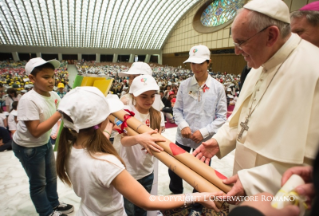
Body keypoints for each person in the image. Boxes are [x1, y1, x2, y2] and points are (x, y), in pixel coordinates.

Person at [193, 0, 319, 203]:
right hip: (242, 180)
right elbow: (243, 119)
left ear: (271, 35)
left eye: (241, 42)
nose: (236, 51)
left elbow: (312, 166)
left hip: (281, 199)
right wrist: (220, 141)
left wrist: (255, 181)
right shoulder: (258, 65)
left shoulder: (314, 69)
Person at [56, 86, 221, 216]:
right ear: (103, 118)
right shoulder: (107, 163)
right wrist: (198, 196)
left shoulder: (70, 150)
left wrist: (107, 128)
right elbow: (148, 202)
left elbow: (101, 138)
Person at [11, 57, 74, 216]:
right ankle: (46, 212)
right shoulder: (28, 100)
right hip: (28, 147)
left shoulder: (53, 94)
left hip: (44, 142)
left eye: (52, 76)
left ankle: (54, 203)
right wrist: (60, 113)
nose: (51, 81)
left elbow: (65, 110)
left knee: (51, 178)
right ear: (32, 78)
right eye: (46, 77)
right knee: (39, 183)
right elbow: (36, 131)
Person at [170, 44, 227, 214]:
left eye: (200, 63)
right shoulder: (184, 85)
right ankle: (176, 195)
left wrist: (203, 132)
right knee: (174, 168)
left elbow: (222, 117)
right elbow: (177, 110)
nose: (196, 67)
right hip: (183, 137)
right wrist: (184, 126)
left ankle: (196, 204)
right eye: (193, 63)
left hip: (204, 141)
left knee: (202, 173)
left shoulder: (218, 88)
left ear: (209, 62)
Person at [117, 75, 166, 215]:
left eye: (152, 96)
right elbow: (123, 141)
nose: (149, 100)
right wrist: (139, 139)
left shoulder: (157, 115)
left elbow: (158, 139)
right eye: (144, 96)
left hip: (147, 170)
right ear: (133, 95)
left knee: (143, 208)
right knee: (130, 210)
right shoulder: (126, 113)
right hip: (129, 172)